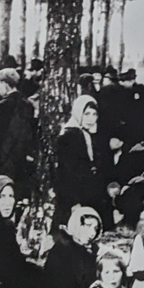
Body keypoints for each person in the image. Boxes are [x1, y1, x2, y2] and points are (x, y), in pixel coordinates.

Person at [53, 93, 113, 228]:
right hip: (76, 195)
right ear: (78, 113)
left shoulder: (94, 135)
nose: (91, 119)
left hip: (93, 194)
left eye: (94, 114)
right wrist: (73, 201)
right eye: (86, 114)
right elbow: (65, 173)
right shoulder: (69, 137)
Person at [0, 69, 38, 191]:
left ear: (4, 83)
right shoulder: (27, 104)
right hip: (21, 159)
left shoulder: (4, 105)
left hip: (3, 159)